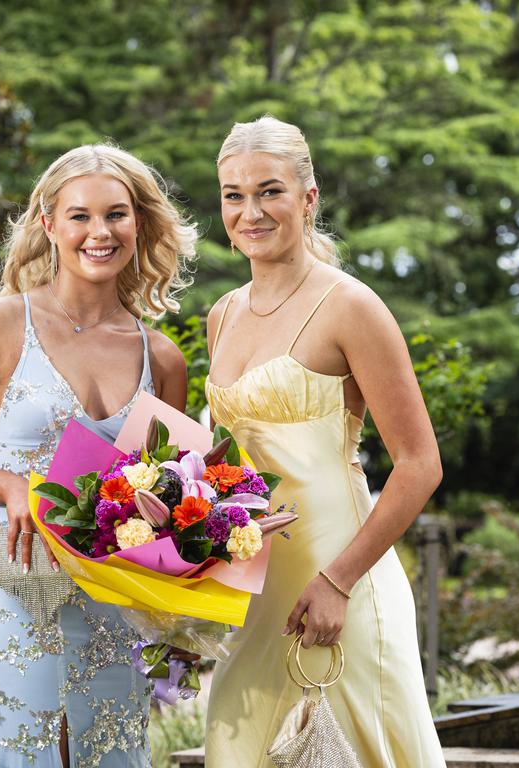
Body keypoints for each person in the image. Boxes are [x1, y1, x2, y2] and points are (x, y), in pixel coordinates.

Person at [0, 143, 195, 768]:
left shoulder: (163, 357)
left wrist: (185, 616)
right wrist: (11, 486)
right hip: (17, 584)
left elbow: (170, 499)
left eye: (117, 215)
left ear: (139, 223)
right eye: (80, 216)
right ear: (48, 224)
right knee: (24, 755)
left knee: (113, 756)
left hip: (117, 600)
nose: (100, 232)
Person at [203, 116, 446, 767]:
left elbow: (420, 465)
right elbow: (228, 467)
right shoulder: (221, 315)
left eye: (269, 191)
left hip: (339, 580)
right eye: (233, 194)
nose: (249, 211)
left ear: (308, 199)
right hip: (254, 592)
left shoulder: (351, 307)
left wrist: (338, 581)